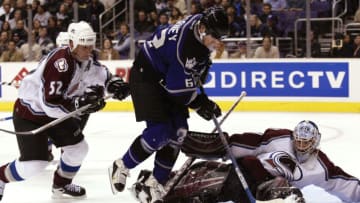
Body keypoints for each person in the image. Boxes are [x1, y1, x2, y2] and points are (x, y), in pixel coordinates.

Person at [108, 6, 228, 203]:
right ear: (203, 29)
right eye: (214, 37)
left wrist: (203, 66)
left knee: (179, 132)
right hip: (146, 76)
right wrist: (200, 103)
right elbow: (178, 90)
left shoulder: (200, 24)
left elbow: (189, 74)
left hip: (166, 74)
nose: (217, 43)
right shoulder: (186, 48)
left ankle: (155, 182)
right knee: (160, 133)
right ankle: (122, 165)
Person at [0, 21, 130, 201]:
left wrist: (114, 84)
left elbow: (100, 74)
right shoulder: (61, 63)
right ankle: (0, 178)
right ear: (72, 45)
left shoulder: (84, 59)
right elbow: (50, 104)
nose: (88, 51)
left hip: (56, 113)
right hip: (31, 113)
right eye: (84, 47)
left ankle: (60, 186)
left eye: (90, 47)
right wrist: (78, 104)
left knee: (78, 149)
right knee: (34, 165)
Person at [139, 120, 360, 203]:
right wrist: (220, 144)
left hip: (265, 189)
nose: (301, 146)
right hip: (241, 173)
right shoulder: (280, 137)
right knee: (203, 178)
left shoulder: (322, 167)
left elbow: (344, 183)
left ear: (315, 142)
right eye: (299, 142)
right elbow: (252, 143)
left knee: (289, 195)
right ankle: (155, 184)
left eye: (306, 143)